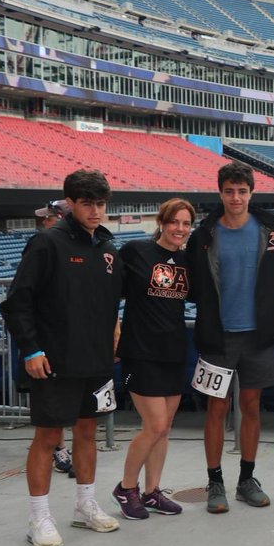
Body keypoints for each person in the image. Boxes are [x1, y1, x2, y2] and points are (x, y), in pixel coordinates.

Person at [1, 169, 124, 546]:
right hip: (53, 361)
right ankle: (39, 518)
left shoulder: (107, 247)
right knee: (49, 437)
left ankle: (85, 506)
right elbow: (17, 302)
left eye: (101, 203)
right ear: (70, 203)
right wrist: (31, 350)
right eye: (87, 203)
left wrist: (114, 330)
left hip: (96, 360)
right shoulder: (46, 243)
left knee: (88, 433)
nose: (95, 210)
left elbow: (107, 301)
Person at [186, 161, 274, 513]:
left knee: (250, 406)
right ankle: (215, 480)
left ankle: (247, 477)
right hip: (217, 336)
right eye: (229, 191)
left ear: (251, 193)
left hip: (257, 336)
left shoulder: (271, 232)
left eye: (242, 191)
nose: (235, 197)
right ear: (220, 193)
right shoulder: (204, 235)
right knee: (216, 408)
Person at [110, 198, 195, 519]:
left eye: (186, 224)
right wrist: (113, 332)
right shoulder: (135, 251)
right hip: (140, 350)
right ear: (162, 222)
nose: (180, 229)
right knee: (154, 424)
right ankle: (126, 488)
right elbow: (108, 294)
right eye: (175, 222)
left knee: (166, 426)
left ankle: (152, 491)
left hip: (172, 350)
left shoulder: (186, 261)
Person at [36, 201, 77, 478]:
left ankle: (63, 448)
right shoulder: (42, 245)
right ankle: (59, 449)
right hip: (49, 341)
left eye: (49, 218)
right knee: (52, 412)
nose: (44, 222)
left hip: (75, 340)